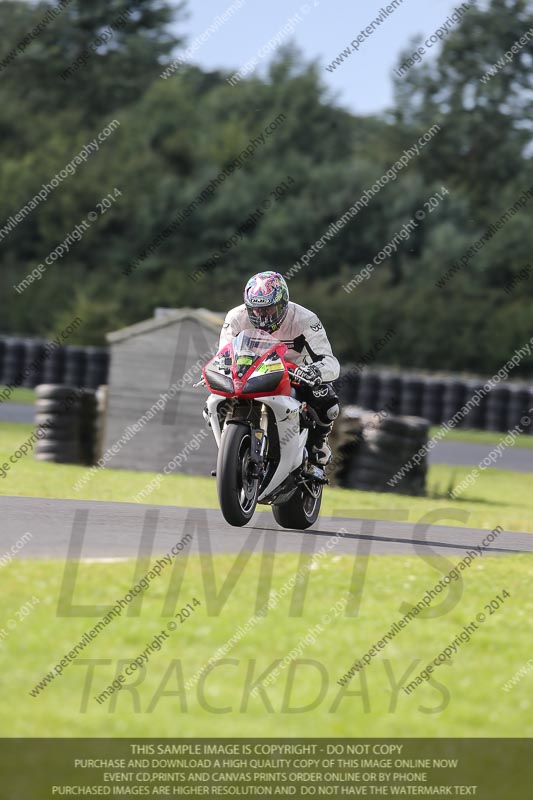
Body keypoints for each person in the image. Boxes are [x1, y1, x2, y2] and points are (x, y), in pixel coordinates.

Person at [219, 270, 340, 465]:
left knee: (329, 404)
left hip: (296, 372)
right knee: (213, 401)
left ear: (283, 304)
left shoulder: (305, 319)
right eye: (256, 311)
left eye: (268, 310)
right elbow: (223, 353)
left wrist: (314, 371)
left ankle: (318, 443)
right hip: (251, 372)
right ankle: (228, 449)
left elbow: (330, 361)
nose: (262, 317)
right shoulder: (235, 316)